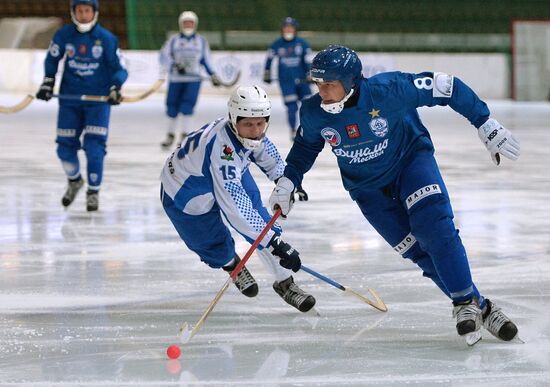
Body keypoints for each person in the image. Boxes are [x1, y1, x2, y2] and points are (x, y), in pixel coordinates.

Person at [269, 45, 521, 345]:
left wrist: (485, 122)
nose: (322, 91)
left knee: (434, 228)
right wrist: (288, 181)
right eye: (318, 84)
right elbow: (306, 147)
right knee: (419, 252)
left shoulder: (389, 89)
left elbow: (447, 86)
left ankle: (463, 302)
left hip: (410, 164)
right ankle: (479, 305)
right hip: (366, 189)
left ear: (351, 81)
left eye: (329, 85)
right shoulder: (313, 112)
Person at [160, 85, 316, 313]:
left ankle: (285, 283)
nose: (255, 130)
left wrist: (288, 182)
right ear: (234, 120)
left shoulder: (247, 131)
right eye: (248, 124)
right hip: (184, 194)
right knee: (215, 247)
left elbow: (270, 157)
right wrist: (276, 243)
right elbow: (237, 211)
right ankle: (232, 264)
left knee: (263, 225)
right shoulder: (222, 151)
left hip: (230, 175)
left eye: (261, 123)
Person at [36, 0, 128, 212]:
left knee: (94, 148)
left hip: (98, 103)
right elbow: (52, 59)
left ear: (94, 12)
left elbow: (119, 68)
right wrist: (48, 81)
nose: (83, 15)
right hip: (69, 100)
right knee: (64, 149)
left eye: (87, 11)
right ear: (73, 12)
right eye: (79, 11)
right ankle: (74, 180)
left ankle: (93, 191)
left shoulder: (106, 39)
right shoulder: (63, 35)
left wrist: (116, 86)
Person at [159, 11, 222, 149]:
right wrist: (174, 65)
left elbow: (206, 60)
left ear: (195, 24)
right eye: (185, 23)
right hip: (176, 79)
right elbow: (164, 56)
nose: (188, 25)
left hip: (193, 80)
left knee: (187, 107)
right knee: (172, 106)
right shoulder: (173, 41)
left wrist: (213, 74)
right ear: (181, 24)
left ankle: (186, 136)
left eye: (190, 23)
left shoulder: (201, 42)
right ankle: (170, 134)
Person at [263, 17, 313, 141]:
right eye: (286, 27)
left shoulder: (302, 43)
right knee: (292, 107)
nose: (288, 30)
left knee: (309, 105)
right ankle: (292, 130)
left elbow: (308, 61)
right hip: (286, 82)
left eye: (291, 27)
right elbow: (269, 59)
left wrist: (310, 73)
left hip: (302, 81)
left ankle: (310, 129)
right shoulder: (277, 44)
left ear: (295, 29)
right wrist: (267, 73)